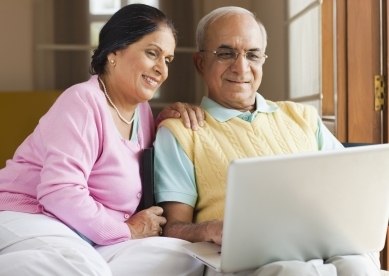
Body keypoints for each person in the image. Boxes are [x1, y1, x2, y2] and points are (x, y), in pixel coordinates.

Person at [154, 6, 381, 276]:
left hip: (323, 244)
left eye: (252, 54)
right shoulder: (181, 131)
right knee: (297, 272)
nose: (241, 67)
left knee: (359, 267)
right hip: (243, 260)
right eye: (225, 54)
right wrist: (208, 229)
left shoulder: (303, 117)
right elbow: (172, 228)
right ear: (201, 63)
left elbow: (349, 188)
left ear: (263, 60)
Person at [0, 4, 204, 276]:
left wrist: (167, 121)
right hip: (32, 215)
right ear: (114, 52)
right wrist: (126, 230)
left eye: (167, 60)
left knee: (183, 258)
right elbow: (60, 193)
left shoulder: (141, 112)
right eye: (152, 53)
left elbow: (122, 158)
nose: (161, 69)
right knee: (80, 267)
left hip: (89, 236)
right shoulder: (82, 101)